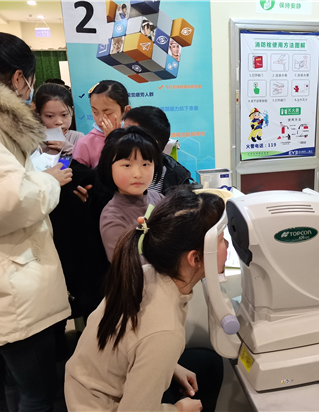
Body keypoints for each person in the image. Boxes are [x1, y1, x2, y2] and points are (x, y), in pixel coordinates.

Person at [0, 17, 72, 410]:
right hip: (6, 288)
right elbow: (7, 202)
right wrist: (49, 181)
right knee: (34, 394)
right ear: (19, 79)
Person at [65, 187, 227, 411]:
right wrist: (178, 409)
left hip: (83, 383)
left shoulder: (145, 273)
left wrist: (170, 366)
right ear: (195, 258)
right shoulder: (165, 332)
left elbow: (131, 343)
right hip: (97, 405)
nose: (227, 245)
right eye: (221, 240)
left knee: (210, 365)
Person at [98, 127, 165, 261]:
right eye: (127, 165)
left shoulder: (159, 199)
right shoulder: (112, 217)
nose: (137, 174)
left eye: (145, 164)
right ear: (109, 168)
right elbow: (129, 267)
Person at [123, 106, 196, 194]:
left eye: (129, 135)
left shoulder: (178, 177)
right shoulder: (114, 169)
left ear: (152, 143)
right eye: (122, 132)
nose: (121, 139)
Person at [73, 80, 131, 168]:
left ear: (126, 111)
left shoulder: (136, 138)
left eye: (108, 113)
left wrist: (112, 140)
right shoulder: (85, 143)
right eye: (95, 112)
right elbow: (79, 175)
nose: (100, 119)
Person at [34, 82, 84, 156]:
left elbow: (87, 161)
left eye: (64, 115)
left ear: (72, 112)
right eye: (50, 116)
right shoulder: (33, 139)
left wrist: (68, 148)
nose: (59, 122)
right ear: (38, 115)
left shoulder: (78, 138)